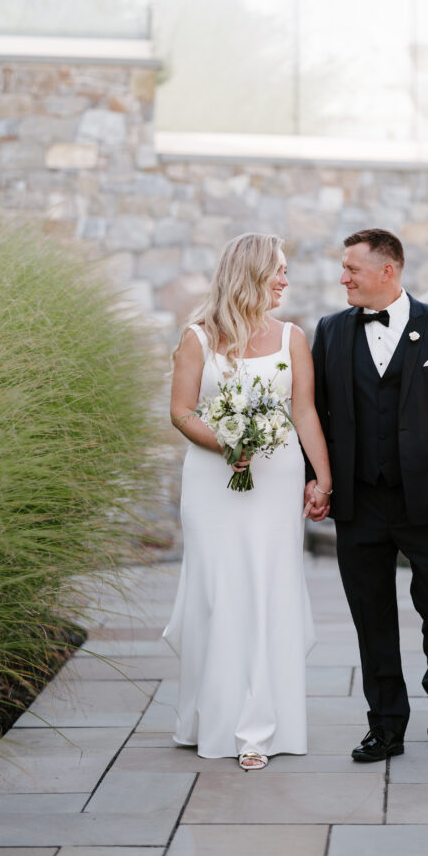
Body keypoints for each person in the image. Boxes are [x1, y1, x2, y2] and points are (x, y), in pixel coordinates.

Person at [305, 228, 428, 762]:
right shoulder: (332, 331)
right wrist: (316, 479)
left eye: (352, 269)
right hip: (359, 503)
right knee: (372, 616)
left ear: (388, 271)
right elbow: (314, 414)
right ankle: (385, 725)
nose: (343, 277)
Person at [164, 233, 332, 771]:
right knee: (219, 593)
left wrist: (321, 480)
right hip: (213, 484)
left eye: (286, 271)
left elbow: (305, 414)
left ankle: (257, 727)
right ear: (250, 273)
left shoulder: (292, 338)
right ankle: (207, 716)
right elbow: (182, 412)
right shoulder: (197, 338)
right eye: (277, 271)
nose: (285, 280)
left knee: (266, 590)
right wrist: (227, 443)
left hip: (276, 482)